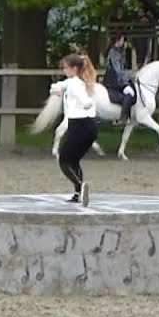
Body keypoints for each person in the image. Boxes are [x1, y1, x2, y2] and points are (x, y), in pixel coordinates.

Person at [50, 53, 99, 206]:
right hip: (90, 127)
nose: (64, 70)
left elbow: (85, 102)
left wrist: (87, 102)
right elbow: (56, 87)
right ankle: (78, 193)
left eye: (65, 68)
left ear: (74, 68)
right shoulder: (77, 82)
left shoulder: (74, 84)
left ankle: (81, 186)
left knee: (64, 160)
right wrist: (57, 91)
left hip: (79, 127)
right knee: (73, 160)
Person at [104, 34, 136, 124]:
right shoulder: (114, 52)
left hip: (117, 79)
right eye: (122, 40)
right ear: (117, 41)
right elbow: (118, 70)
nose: (123, 42)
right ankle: (123, 117)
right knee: (130, 93)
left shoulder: (118, 51)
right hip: (114, 81)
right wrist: (128, 78)